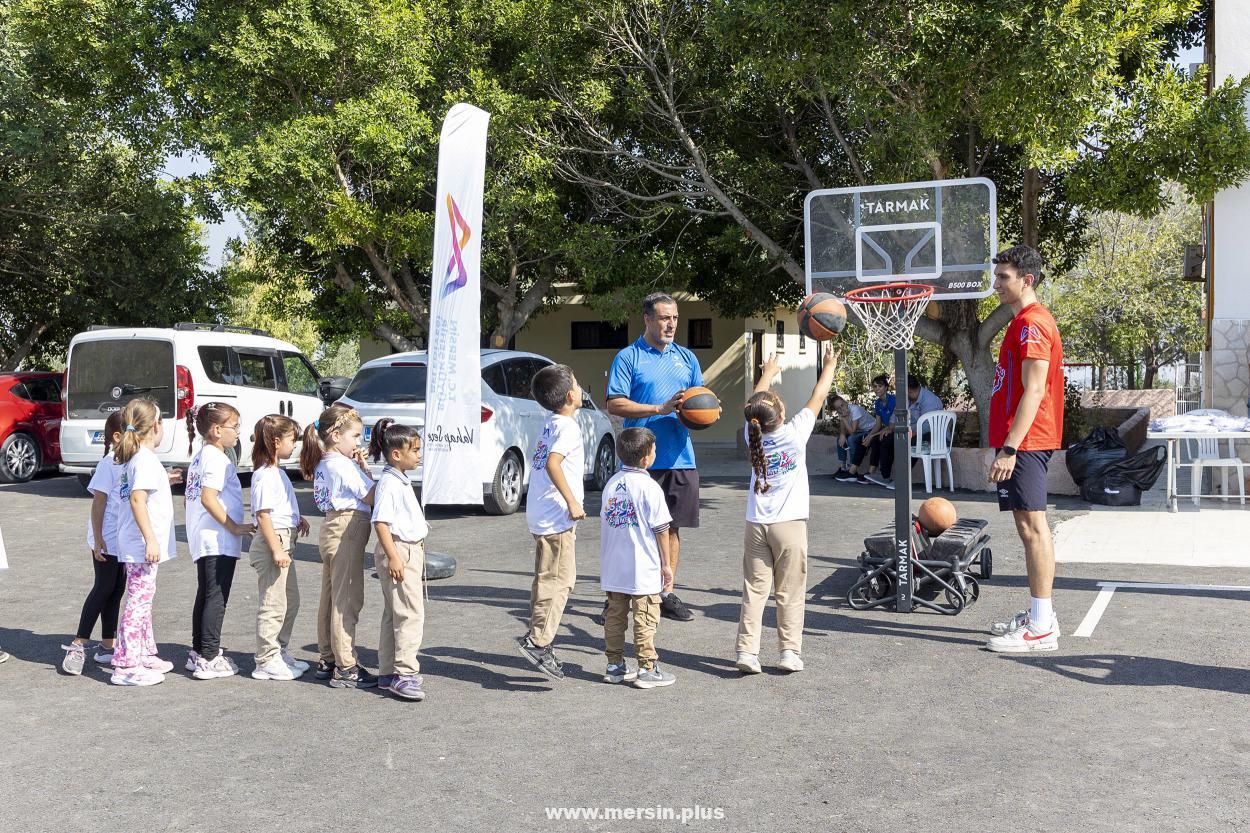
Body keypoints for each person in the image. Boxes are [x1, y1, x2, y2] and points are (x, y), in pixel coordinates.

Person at [736, 348, 838, 675]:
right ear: (780, 413)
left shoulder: (751, 436)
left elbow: (752, 404)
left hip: (756, 524)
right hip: (789, 525)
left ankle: (747, 653)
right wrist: (830, 366)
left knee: (755, 590)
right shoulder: (794, 434)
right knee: (789, 591)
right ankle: (789, 652)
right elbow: (819, 394)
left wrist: (767, 372)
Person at [984, 245, 1065, 653]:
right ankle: (1040, 614)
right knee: (1028, 527)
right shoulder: (1021, 323)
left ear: (1026, 280)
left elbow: (1034, 391)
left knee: (1034, 529)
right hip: (1020, 441)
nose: (996, 284)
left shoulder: (1033, 324)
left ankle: (1041, 627)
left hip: (1028, 442)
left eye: (1003, 277)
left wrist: (1010, 447)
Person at [606, 292, 704, 622]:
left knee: (672, 529)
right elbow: (614, 404)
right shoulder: (628, 357)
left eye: (675, 317)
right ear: (647, 319)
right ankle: (618, 596)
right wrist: (657, 408)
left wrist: (704, 414)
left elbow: (699, 401)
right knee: (631, 530)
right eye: (664, 318)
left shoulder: (687, 358)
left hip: (680, 457)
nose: (671, 324)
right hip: (639, 461)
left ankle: (665, 593)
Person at [301, 404, 378, 688]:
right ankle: (346, 665)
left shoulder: (326, 461)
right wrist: (366, 469)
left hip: (334, 526)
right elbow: (371, 496)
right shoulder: (341, 464)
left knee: (332, 596)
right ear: (335, 435)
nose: (359, 442)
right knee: (347, 598)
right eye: (356, 436)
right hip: (348, 527)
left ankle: (328, 658)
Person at [517, 364, 586, 679]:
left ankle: (540, 639)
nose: (581, 387)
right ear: (571, 395)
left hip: (544, 514)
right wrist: (572, 502)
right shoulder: (567, 428)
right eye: (578, 382)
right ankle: (537, 641)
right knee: (560, 581)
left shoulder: (552, 423)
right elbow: (555, 464)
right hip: (556, 516)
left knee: (548, 579)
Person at [600, 427, 676, 689]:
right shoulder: (649, 487)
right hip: (642, 567)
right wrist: (666, 565)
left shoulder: (611, 484)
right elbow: (662, 529)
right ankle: (646, 668)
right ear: (646, 459)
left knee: (615, 616)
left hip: (613, 567)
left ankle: (615, 665)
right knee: (645, 616)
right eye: (654, 450)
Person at [111, 398, 178, 686]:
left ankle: (144, 653)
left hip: (134, 543)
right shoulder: (145, 459)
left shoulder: (137, 458)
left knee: (142, 599)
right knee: (138, 602)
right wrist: (151, 539)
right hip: (141, 545)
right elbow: (138, 500)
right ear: (155, 426)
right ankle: (126, 665)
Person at [184, 402, 252, 680]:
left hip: (207, 536)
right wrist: (234, 526)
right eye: (234, 427)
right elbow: (208, 497)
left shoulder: (204, 455)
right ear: (216, 430)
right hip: (217, 537)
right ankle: (209, 656)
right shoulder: (214, 458)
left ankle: (200, 650)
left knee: (207, 592)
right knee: (216, 595)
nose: (237, 432)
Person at [61, 412, 129, 674]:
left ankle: (107, 646)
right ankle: (78, 644)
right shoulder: (108, 464)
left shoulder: (130, 462)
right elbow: (98, 503)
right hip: (106, 537)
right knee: (103, 587)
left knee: (116, 589)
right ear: (117, 437)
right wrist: (99, 539)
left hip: (121, 539)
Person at [368, 418, 430, 702]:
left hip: (405, 549)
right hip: (400, 551)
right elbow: (381, 522)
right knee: (409, 613)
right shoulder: (390, 484)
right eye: (415, 450)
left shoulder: (397, 480)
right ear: (396, 454)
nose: (419, 455)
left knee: (394, 612)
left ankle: (387, 672)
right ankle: (405, 674)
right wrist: (394, 557)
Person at [248, 414, 311, 681]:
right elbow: (263, 515)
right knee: (273, 603)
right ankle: (265, 659)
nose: (294, 445)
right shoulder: (263, 475)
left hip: (285, 539)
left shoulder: (278, 473)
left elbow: (280, 507)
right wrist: (276, 549)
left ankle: (279, 650)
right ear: (276, 441)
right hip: (274, 542)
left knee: (290, 601)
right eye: (291, 440)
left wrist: (298, 519)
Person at [830, 394, 875, 484]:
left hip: (870, 430)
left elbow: (852, 432)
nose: (841, 409)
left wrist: (844, 419)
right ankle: (843, 468)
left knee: (851, 439)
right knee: (840, 438)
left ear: (845, 402)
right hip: (860, 430)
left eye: (842, 405)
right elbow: (843, 429)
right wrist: (842, 435)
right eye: (838, 408)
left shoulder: (855, 410)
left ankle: (852, 470)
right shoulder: (841, 412)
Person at [864, 375, 898, 489]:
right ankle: (871, 471)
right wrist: (869, 436)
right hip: (886, 429)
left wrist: (873, 435)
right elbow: (878, 425)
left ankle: (885, 475)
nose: (877, 389)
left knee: (883, 440)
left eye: (880, 386)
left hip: (896, 429)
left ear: (886, 387)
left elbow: (891, 426)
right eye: (874, 386)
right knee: (872, 439)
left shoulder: (894, 400)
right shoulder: (877, 403)